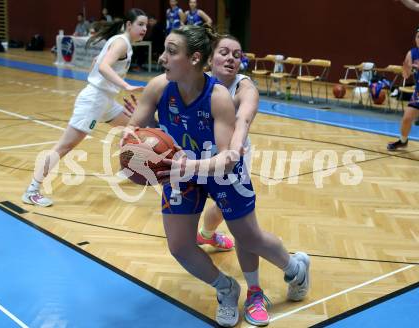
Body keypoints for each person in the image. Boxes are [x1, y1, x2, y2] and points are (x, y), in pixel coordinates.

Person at [126, 25, 310, 327]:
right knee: (180, 246)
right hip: (181, 170)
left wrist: (187, 166)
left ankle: (295, 268)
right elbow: (132, 132)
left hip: (219, 169)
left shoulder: (223, 96)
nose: (161, 58)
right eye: (224, 52)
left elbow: (227, 158)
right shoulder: (158, 87)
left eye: (171, 51)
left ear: (195, 58)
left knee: (249, 237)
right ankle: (226, 288)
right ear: (210, 58)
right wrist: (134, 148)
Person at [22, 8, 147, 207]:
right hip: (94, 101)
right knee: (64, 147)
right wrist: (125, 85)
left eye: (146, 25)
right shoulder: (121, 42)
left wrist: (102, 83)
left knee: (134, 129)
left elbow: (96, 62)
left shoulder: (121, 42)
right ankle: (32, 190)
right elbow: (103, 66)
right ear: (129, 25)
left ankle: (129, 168)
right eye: (140, 24)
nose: (144, 29)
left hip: (105, 100)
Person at [387, 27, 419, 150]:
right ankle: (403, 141)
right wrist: (406, 67)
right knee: (407, 118)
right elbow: (406, 75)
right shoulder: (412, 53)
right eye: (418, 37)